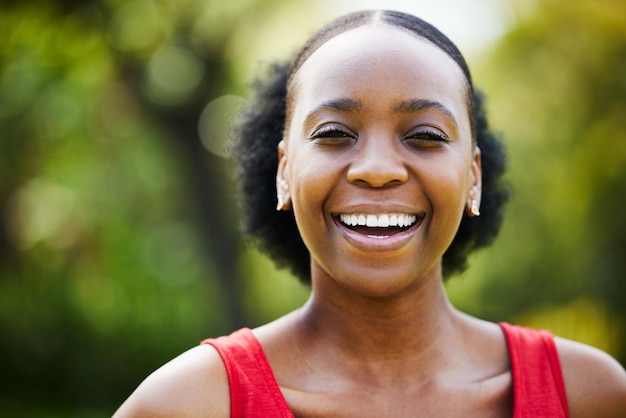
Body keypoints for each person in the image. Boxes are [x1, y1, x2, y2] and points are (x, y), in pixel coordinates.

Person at [114, 10, 626, 417]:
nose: (377, 169)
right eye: (334, 134)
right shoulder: (187, 406)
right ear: (283, 173)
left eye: (425, 136)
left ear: (474, 177)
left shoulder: (591, 396)